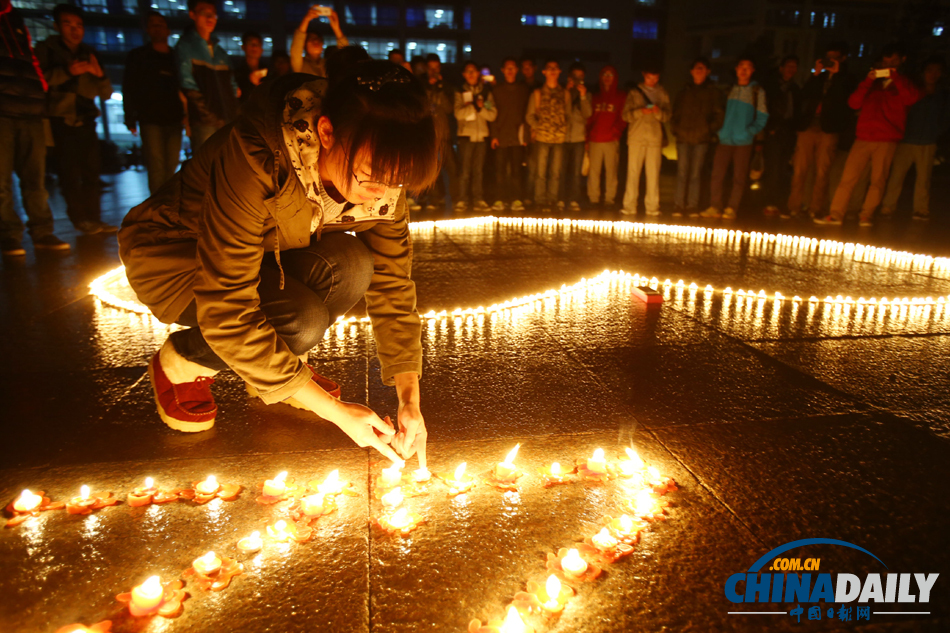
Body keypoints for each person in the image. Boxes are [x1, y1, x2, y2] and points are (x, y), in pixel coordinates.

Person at [118, 59, 437, 469]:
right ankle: (183, 360)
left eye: (398, 180)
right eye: (371, 175)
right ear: (326, 132)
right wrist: (334, 412)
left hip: (271, 255)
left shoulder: (384, 164)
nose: (383, 193)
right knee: (300, 322)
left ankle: (273, 370)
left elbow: (394, 283)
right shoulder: (258, 153)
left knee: (355, 263)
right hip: (176, 256)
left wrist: (410, 399)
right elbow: (228, 306)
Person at [818, 43, 921, 227]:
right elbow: (854, 103)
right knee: (848, 178)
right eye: (886, 61)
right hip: (863, 137)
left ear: (901, 61)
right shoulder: (872, 84)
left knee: (878, 180)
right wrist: (868, 81)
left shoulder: (905, 82)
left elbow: (911, 99)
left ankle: (866, 215)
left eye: (894, 61)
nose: (889, 65)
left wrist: (896, 78)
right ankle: (836, 214)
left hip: (887, 138)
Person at [36, 4, 115, 235]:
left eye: (78, 25)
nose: (74, 30)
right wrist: (68, 71)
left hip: (86, 118)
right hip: (60, 119)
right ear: (57, 26)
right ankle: (80, 219)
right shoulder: (47, 49)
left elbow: (107, 92)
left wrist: (98, 75)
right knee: (69, 173)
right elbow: (40, 79)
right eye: (68, 24)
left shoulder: (89, 53)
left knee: (92, 172)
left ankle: (94, 219)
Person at [0, 0, 70, 256]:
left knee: (35, 178)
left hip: (30, 109)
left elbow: (30, 57)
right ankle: (9, 235)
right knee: (1, 181)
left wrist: (40, 90)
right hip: (3, 112)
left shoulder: (15, 19)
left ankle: (42, 231)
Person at [786, 42, 855, 220]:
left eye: (835, 58)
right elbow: (805, 95)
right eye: (828, 58)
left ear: (843, 59)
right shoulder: (819, 78)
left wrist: (837, 75)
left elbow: (845, 100)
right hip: (809, 126)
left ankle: (815, 208)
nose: (830, 61)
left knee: (822, 172)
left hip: (829, 129)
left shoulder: (847, 78)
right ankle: (794, 206)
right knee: (800, 169)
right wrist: (816, 74)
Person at [880, 56, 950, 221]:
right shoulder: (914, 91)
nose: (934, 74)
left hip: (927, 141)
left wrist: (936, 133)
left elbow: (945, 117)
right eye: (930, 70)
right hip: (906, 139)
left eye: (937, 71)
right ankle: (888, 206)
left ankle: (920, 209)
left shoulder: (942, 95)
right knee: (897, 175)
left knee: (924, 178)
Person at [123, 11, 185, 195]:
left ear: (168, 30)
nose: (157, 28)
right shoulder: (139, 56)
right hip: (149, 117)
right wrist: (130, 117)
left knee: (172, 164)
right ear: (147, 29)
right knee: (156, 164)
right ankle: (158, 209)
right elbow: (129, 86)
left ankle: (167, 205)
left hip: (174, 117)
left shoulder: (176, 58)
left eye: (161, 24)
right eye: (153, 24)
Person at [703, 56, 768, 220]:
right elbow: (720, 112)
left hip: (743, 141)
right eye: (741, 66)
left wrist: (750, 131)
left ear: (752, 71)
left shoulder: (757, 91)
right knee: (717, 174)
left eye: (748, 67)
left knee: (739, 177)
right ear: (736, 69)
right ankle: (715, 205)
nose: (744, 70)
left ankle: (732, 207)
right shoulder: (729, 89)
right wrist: (720, 131)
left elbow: (762, 115)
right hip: (725, 139)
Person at [176, 0, 238, 153]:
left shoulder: (220, 53)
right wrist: (208, 116)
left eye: (214, 14)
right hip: (204, 123)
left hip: (228, 120)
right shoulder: (185, 46)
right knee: (205, 169)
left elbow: (232, 85)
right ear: (193, 14)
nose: (210, 18)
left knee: (229, 166)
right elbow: (188, 86)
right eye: (205, 13)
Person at [670, 57, 723, 217]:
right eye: (696, 68)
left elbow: (719, 115)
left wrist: (708, 130)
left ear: (708, 72)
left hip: (701, 139)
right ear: (691, 71)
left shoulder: (713, 93)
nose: (699, 71)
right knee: (682, 173)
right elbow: (675, 114)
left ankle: (692, 205)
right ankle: (678, 205)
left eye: (702, 68)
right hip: (683, 138)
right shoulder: (684, 92)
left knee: (695, 174)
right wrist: (676, 130)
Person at [621, 64, 671, 216]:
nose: (652, 81)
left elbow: (667, 116)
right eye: (650, 77)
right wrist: (640, 112)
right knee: (633, 173)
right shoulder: (634, 92)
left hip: (654, 138)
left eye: (655, 78)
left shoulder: (662, 93)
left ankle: (652, 207)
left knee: (653, 174)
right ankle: (629, 206)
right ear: (644, 75)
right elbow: (625, 115)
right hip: (636, 137)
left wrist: (657, 112)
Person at [525, 59, 570, 212]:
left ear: (559, 72)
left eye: (555, 68)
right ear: (544, 72)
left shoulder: (565, 94)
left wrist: (563, 127)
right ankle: (539, 199)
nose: (552, 70)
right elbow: (530, 115)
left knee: (556, 172)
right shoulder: (537, 93)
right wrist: (540, 127)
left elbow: (568, 115)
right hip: (542, 137)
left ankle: (552, 199)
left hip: (559, 138)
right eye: (549, 68)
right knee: (540, 171)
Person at [454, 61, 496, 212]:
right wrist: (473, 106)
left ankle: (478, 199)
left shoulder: (486, 93)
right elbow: (458, 113)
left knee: (479, 171)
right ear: (464, 75)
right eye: (468, 71)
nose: (471, 74)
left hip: (482, 137)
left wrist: (481, 109)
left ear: (478, 73)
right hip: (466, 137)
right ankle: (462, 199)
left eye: (474, 71)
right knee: (465, 171)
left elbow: (492, 115)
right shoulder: (459, 91)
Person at [761, 55, 800, 217]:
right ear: (781, 68)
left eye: (794, 67)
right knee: (772, 168)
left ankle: (780, 203)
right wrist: (770, 128)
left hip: (788, 132)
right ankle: (769, 202)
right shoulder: (771, 87)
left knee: (784, 169)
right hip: (774, 131)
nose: (791, 69)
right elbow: (765, 108)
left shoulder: (795, 89)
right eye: (788, 66)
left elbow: (797, 111)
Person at [489, 57, 530, 212]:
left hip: (518, 137)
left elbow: (527, 113)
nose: (510, 70)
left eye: (513, 67)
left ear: (517, 70)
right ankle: (499, 199)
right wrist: (494, 135)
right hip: (501, 135)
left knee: (516, 171)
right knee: (500, 170)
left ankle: (516, 199)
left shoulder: (523, 89)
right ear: (502, 70)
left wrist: (526, 136)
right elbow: (492, 113)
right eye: (507, 68)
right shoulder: (496, 90)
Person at [586, 65, 627, 211]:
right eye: (604, 75)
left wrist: (616, 132)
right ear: (600, 77)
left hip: (611, 139)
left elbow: (623, 117)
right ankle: (593, 198)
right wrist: (587, 137)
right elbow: (589, 118)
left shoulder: (621, 96)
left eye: (610, 75)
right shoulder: (595, 97)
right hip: (595, 139)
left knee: (611, 171)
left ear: (615, 78)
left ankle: (609, 199)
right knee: (594, 172)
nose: (607, 78)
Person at [421, 54, 456, 212]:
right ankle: (435, 197)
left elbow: (449, 109)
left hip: (444, 134)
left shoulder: (447, 87)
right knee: (432, 170)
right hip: (428, 134)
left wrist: (440, 89)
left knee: (451, 167)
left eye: (436, 68)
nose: (433, 71)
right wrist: (429, 88)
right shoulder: (421, 85)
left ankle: (455, 198)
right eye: (430, 68)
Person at [562, 62, 592, 212]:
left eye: (581, 76)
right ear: (569, 77)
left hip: (578, 138)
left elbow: (588, 114)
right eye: (575, 76)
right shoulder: (562, 91)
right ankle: (560, 198)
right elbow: (561, 112)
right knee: (559, 170)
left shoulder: (587, 95)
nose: (578, 79)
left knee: (575, 172)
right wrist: (566, 93)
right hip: (562, 137)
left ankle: (574, 199)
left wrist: (583, 96)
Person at [290, 5, 348, 77]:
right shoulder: (300, 65)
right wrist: (306, 19)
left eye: (318, 39)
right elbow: (296, 49)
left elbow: (346, 55)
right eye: (311, 39)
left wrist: (336, 28)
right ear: (304, 45)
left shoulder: (329, 64)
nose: (316, 41)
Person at [520, 56, 541, 206]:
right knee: (520, 165)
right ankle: (521, 195)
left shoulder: (539, 88)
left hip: (535, 130)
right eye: (524, 68)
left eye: (529, 67)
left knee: (535, 165)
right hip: (520, 129)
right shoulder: (519, 86)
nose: (526, 70)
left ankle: (532, 195)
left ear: (535, 68)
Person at [233, 31, 267, 105]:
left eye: (257, 44)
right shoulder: (237, 74)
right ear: (243, 47)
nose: (254, 47)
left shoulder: (269, 73)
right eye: (250, 43)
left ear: (261, 49)